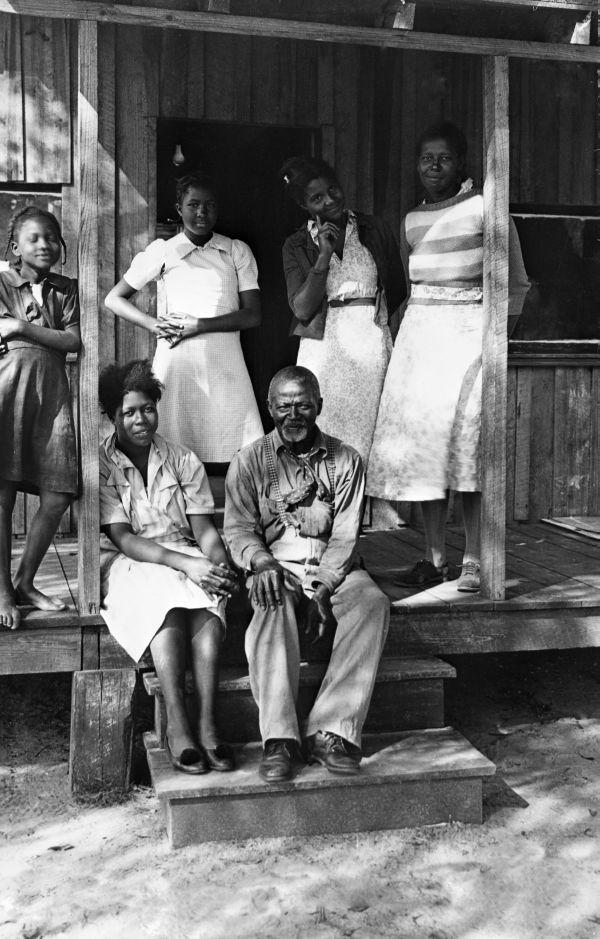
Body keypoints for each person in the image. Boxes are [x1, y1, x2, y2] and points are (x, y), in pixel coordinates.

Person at [367, 122, 529, 592]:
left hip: (467, 341)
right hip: (420, 344)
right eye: (425, 158)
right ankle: (434, 558)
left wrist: (494, 343)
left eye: (443, 157)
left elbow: (515, 283)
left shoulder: (485, 208)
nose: (433, 166)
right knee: (425, 451)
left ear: (461, 162)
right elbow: (409, 287)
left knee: (468, 450)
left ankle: (475, 560)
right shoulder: (412, 218)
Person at [224, 365, 389, 783]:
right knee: (270, 600)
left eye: (303, 405)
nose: (293, 414)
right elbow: (239, 528)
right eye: (284, 406)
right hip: (278, 564)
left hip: (336, 568)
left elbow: (346, 535)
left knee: (372, 603)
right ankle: (279, 739)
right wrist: (261, 563)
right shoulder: (248, 462)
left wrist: (322, 586)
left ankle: (331, 732)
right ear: (269, 408)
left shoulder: (347, 460)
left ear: (319, 406)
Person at [98, 359, 238, 774]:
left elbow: (204, 530)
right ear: (112, 417)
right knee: (166, 597)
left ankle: (209, 721)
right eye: (129, 412)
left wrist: (217, 563)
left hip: (182, 553)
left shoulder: (181, 459)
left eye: (147, 409)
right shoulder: (102, 465)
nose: (141, 420)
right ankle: (177, 722)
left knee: (207, 596)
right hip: (129, 560)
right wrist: (188, 564)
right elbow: (124, 538)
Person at [104, 173, 263, 466]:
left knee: (231, 446)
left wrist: (198, 325)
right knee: (173, 448)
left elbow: (253, 314)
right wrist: (155, 324)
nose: (202, 212)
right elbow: (114, 298)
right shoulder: (163, 251)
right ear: (179, 208)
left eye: (210, 205)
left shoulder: (235, 251)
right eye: (193, 204)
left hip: (224, 359)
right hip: (177, 358)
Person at [280, 156, 405, 466]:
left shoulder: (373, 228)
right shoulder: (296, 244)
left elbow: (398, 286)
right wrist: (322, 257)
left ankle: (365, 513)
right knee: (324, 429)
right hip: (323, 348)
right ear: (303, 205)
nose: (330, 200)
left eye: (333, 189)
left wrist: (373, 326)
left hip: (370, 342)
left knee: (369, 432)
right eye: (317, 198)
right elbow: (302, 307)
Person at [0, 206, 80, 630]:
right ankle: (2, 592)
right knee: (3, 493)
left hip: (52, 398)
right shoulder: (1, 282)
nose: (45, 244)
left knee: (58, 493)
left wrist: (19, 327)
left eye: (51, 236)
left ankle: (25, 580)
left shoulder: (66, 288)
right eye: (34, 238)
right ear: (14, 248)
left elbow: (71, 340)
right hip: (6, 392)